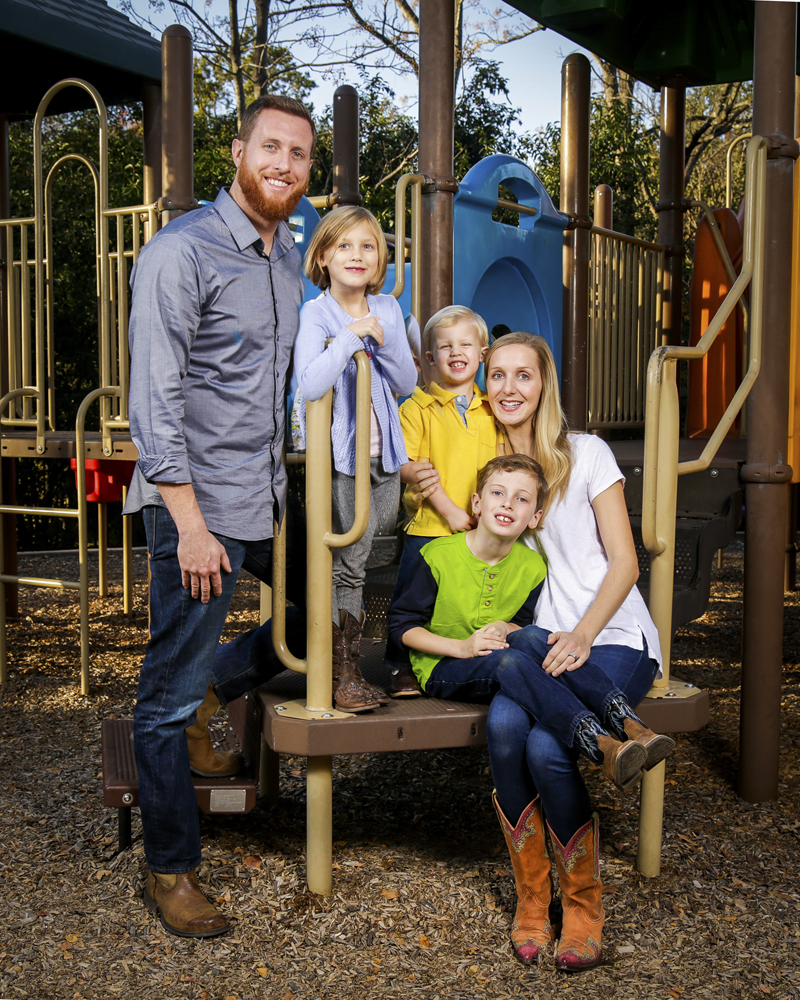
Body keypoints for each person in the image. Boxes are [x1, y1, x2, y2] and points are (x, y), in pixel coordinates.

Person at [405, 333, 670, 972]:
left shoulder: (585, 453)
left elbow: (627, 562)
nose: (508, 388)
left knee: (547, 745)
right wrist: (419, 477)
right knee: (504, 725)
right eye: (496, 375)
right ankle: (532, 897)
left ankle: (582, 905)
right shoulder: (491, 468)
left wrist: (584, 634)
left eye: (523, 375)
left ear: (544, 383)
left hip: (610, 633)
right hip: (537, 641)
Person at [125, 95, 315, 939]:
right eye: (270, 147)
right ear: (238, 152)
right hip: (194, 507)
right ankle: (170, 869)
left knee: (322, 609)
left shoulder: (286, 258)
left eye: (299, 155)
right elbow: (156, 400)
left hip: (262, 496)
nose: (284, 164)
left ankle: (215, 683)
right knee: (162, 701)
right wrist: (191, 523)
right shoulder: (182, 253)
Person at [388, 451, 670, 785]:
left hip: (495, 652)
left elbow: (520, 622)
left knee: (536, 637)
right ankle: (597, 741)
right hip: (443, 666)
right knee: (510, 662)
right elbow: (400, 627)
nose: (507, 504)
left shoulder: (532, 566)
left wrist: (505, 628)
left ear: (535, 517)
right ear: (477, 503)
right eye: (498, 493)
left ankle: (627, 723)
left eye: (520, 499)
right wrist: (462, 647)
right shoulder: (436, 556)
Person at [293, 206, 417, 712]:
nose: (356, 256)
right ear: (323, 257)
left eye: (367, 246)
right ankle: (343, 673)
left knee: (362, 559)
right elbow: (309, 383)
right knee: (348, 562)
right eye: (343, 246)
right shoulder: (317, 314)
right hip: (340, 460)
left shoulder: (388, 308)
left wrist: (381, 341)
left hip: (383, 455)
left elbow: (406, 382)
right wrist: (349, 338)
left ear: (380, 257)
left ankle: (342, 664)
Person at [385, 305, 499, 697]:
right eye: (445, 346)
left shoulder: (492, 410)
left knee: (457, 599)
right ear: (430, 358)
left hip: (478, 528)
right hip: (430, 526)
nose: (456, 352)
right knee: (413, 599)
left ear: (482, 353)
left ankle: (452, 656)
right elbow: (410, 466)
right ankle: (400, 666)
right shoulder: (417, 408)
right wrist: (449, 511)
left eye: (465, 344)